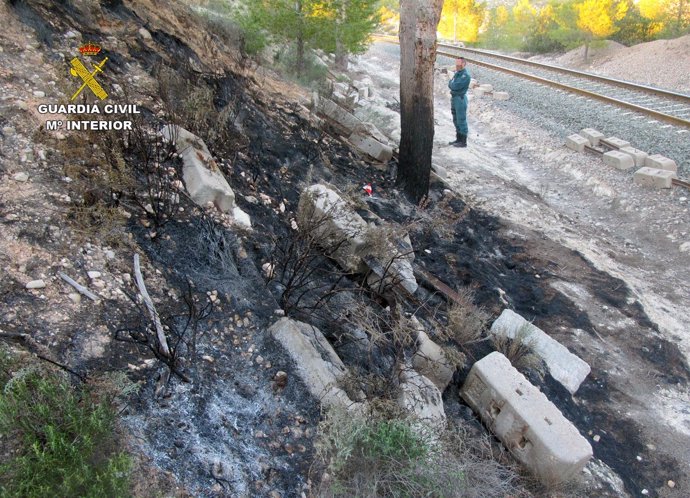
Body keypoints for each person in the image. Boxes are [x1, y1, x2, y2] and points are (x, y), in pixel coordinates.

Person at [448, 57, 470, 148]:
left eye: (459, 64)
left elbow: (455, 86)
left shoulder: (465, 75)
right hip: (454, 98)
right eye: (456, 63)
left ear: (464, 64)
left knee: (461, 120)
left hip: (460, 99)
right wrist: (452, 84)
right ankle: (458, 139)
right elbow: (450, 84)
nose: (457, 66)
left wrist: (452, 84)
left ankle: (463, 141)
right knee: (455, 119)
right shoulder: (457, 74)